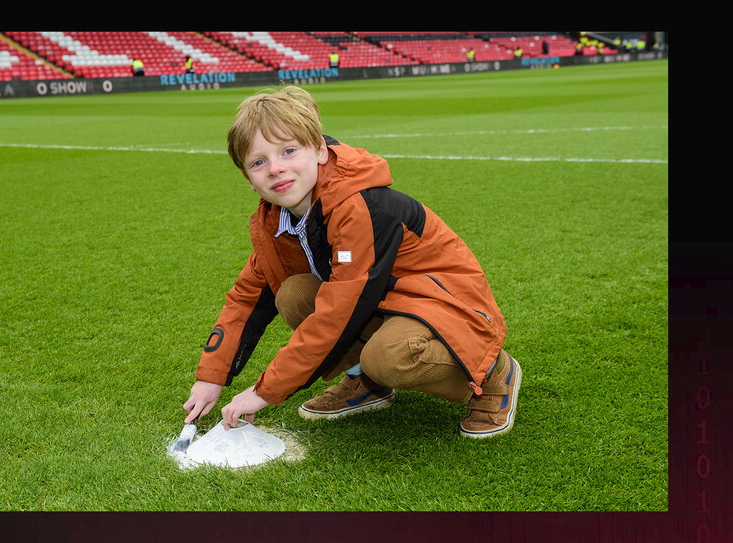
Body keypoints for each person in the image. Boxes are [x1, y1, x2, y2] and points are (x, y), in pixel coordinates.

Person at [182, 86, 522, 439]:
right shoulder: (275, 219)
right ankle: (367, 382)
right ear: (248, 179)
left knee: (389, 357)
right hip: (382, 299)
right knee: (293, 293)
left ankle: (493, 373)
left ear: (318, 150)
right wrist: (212, 376)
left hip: (444, 299)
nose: (276, 169)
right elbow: (246, 299)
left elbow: (338, 313)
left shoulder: (356, 205)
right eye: (258, 162)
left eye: (288, 150)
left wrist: (264, 391)